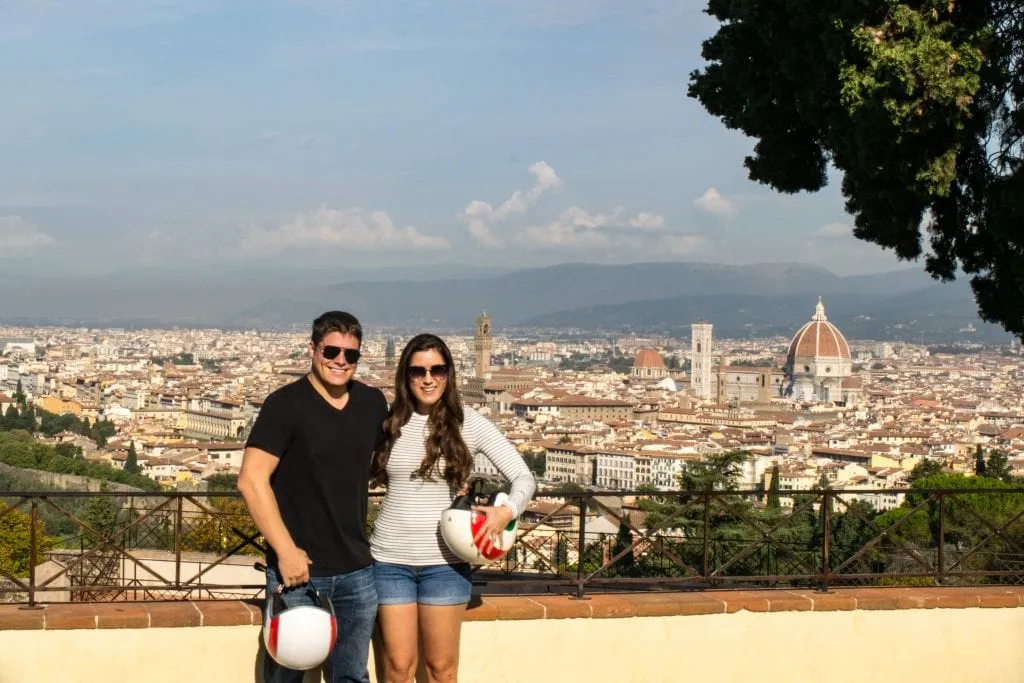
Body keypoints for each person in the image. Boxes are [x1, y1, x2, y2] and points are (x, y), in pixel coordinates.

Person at [370, 333, 536, 683]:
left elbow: (523, 477)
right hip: (389, 560)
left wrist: (507, 511)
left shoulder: (469, 424)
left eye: (437, 369)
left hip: (445, 564)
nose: (428, 379)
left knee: (441, 671)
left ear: (449, 373)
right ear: (406, 376)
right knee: (397, 670)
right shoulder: (388, 423)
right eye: (418, 371)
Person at [238, 311, 388, 683]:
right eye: (331, 350)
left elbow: (391, 465)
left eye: (350, 354)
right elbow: (251, 480)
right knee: (286, 677)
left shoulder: (372, 404)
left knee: (352, 677)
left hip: (357, 570)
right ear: (313, 348)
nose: (340, 361)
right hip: (298, 573)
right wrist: (286, 553)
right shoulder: (285, 405)